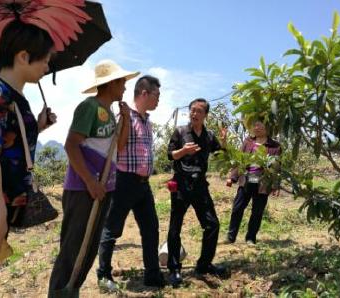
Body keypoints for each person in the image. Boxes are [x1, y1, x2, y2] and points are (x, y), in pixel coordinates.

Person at [48, 60, 139, 297]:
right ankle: (59, 292)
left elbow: (118, 146)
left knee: (87, 250)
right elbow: (71, 145)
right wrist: (90, 181)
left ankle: (72, 290)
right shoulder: (89, 107)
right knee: (73, 248)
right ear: (110, 84)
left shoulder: (109, 114)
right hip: (83, 190)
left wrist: (126, 119)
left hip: (102, 189)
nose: (125, 88)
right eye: (122, 82)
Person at [0, 21, 57, 295]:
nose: (47, 68)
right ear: (23, 56)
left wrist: (37, 126)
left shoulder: (15, 97)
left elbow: (8, 142)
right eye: (45, 60)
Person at [96, 75, 164, 291]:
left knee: (151, 228)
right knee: (112, 228)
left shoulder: (147, 120)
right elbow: (119, 146)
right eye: (157, 95)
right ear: (144, 93)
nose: (158, 100)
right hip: (123, 181)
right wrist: (125, 119)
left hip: (143, 184)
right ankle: (104, 275)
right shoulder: (124, 114)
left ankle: (153, 275)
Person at [166, 98, 227, 287]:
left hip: (200, 185)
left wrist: (224, 142)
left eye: (198, 111)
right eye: (192, 110)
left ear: (205, 115)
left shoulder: (209, 136)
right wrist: (183, 151)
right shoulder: (180, 132)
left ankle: (204, 264)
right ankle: (174, 268)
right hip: (181, 184)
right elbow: (170, 155)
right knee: (175, 227)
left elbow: (221, 153)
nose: (194, 113)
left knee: (212, 224)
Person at [225, 119, 281, 245]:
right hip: (246, 179)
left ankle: (250, 238)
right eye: (255, 125)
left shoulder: (275, 146)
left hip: (263, 182)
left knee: (257, 211)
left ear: (267, 127)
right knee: (237, 208)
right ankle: (231, 236)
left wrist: (275, 185)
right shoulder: (248, 142)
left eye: (260, 125)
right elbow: (239, 160)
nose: (256, 127)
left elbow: (277, 167)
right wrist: (232, 177)